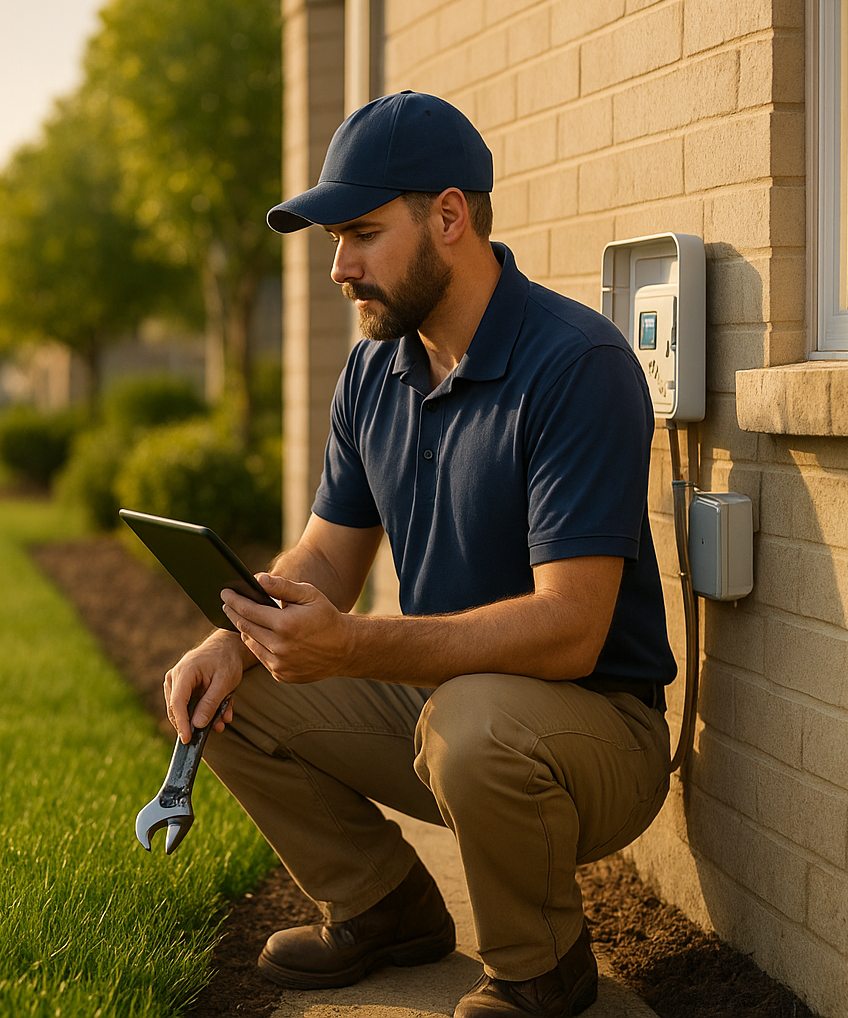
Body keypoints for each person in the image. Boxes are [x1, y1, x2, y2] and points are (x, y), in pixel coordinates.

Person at [164, 91, 675, 1018]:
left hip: (597, 735)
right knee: (234, 693)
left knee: (472, 724)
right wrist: (231, 640)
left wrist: (355, 648)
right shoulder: (376, 369)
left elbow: (569, 632)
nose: (338, 267)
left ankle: (542, 969)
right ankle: (381, 906)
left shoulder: (577, 365)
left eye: (359, 232)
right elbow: (326, 553)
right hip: (448, 709)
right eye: (332, 239)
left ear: (449, 216)